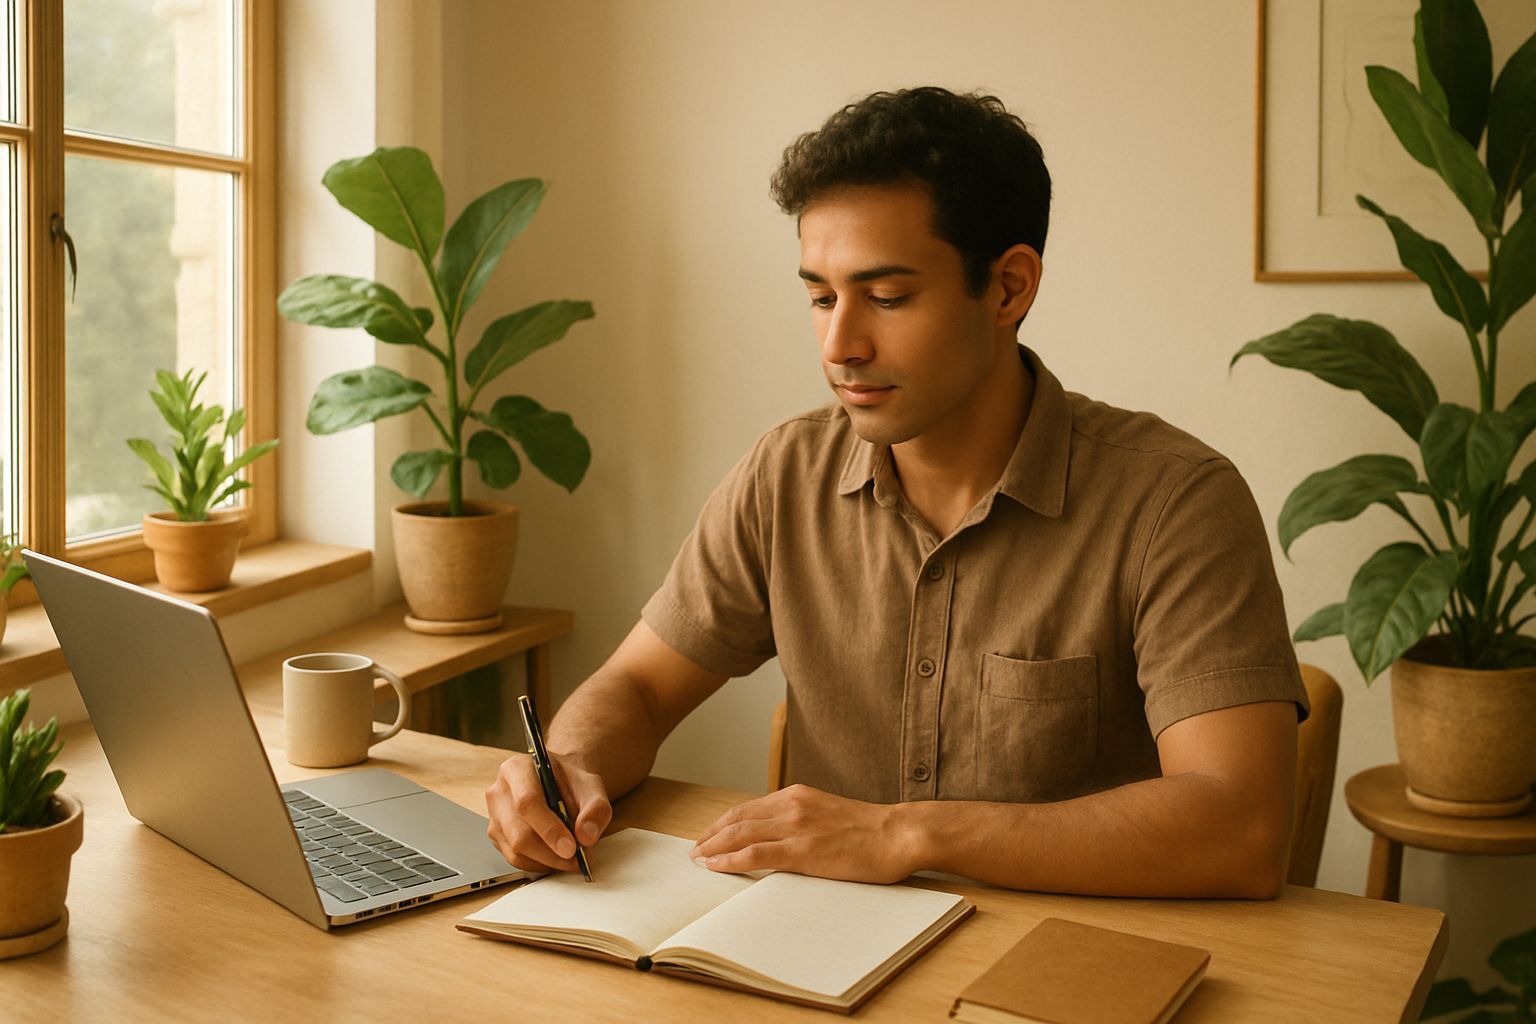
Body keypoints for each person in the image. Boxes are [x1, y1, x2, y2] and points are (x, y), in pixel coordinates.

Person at [485, 86, 1309, 899]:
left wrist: (905, 832)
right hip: (820, 953)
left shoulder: (1176, 503)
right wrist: (572, 763)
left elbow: (1239, 827)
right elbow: (637, 687)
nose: (840, 344)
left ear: (1010, 288)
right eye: (819, 296)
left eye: (886, 297)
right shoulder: (786, 476)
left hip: (1067, 967)